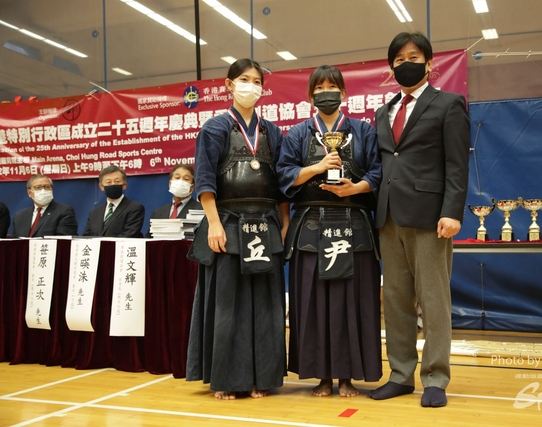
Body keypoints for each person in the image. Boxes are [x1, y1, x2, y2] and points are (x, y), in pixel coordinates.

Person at [368, 32, 470, 407]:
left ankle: (436, 378)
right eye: (398, 59)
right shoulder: (383, 112)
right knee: (395, 300)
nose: (405, 64)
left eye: (413, 57)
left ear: (429, 63)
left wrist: (452, 211)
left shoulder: (449, 104)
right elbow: (385, 162)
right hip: (388, 216)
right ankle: (400, 374)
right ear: (391, 67)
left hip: (430, 217)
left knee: (433, 299)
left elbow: (457, 163)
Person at [186, 58, 289, 400]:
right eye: (244, 79)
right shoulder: (214, 128)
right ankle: (228, 379)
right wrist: (214, 223)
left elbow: (282, 185)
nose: (251, 86)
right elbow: (204, 180)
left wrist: (285, 223)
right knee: (228, 305)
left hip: (266, 225)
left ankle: (263, 377)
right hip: (228, 223)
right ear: (229, 85)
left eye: (257, 81)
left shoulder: (272, 132)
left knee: (266, 305)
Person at [277, 65, 383, 397]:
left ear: (344, 93)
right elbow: (283, 176)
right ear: (310, 96)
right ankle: (321, 375)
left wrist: (357, 188)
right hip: (311, 226)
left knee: (353, 301)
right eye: (319, 88)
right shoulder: (297, 133)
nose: (326, 93)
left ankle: (348, 375)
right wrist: (317, 168)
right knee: (314, 302)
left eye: (332, 87)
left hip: (355, 225)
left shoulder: (363, 131)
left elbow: (378, 172)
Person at [83, 165, 145, 238]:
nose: (113, 184)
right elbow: (86, 238)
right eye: (108, 182)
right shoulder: (94, 213)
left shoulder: (135, 208)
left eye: (117, 181)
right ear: (101, 187)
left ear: (124, 185)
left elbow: (129, 235)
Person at [11, 175, 78, 237]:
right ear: (29, 193)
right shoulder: (19, 216)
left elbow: (64, 241)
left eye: (47, 187)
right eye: (38, 187)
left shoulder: (64, 211)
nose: (43, 190)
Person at [146, 164, 202, 237]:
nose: (181, 181)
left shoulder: (201, 210)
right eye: (177, 177)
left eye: (186, 179)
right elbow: (149, 238)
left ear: (192, 187)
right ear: (170, 183)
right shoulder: (157, 213)